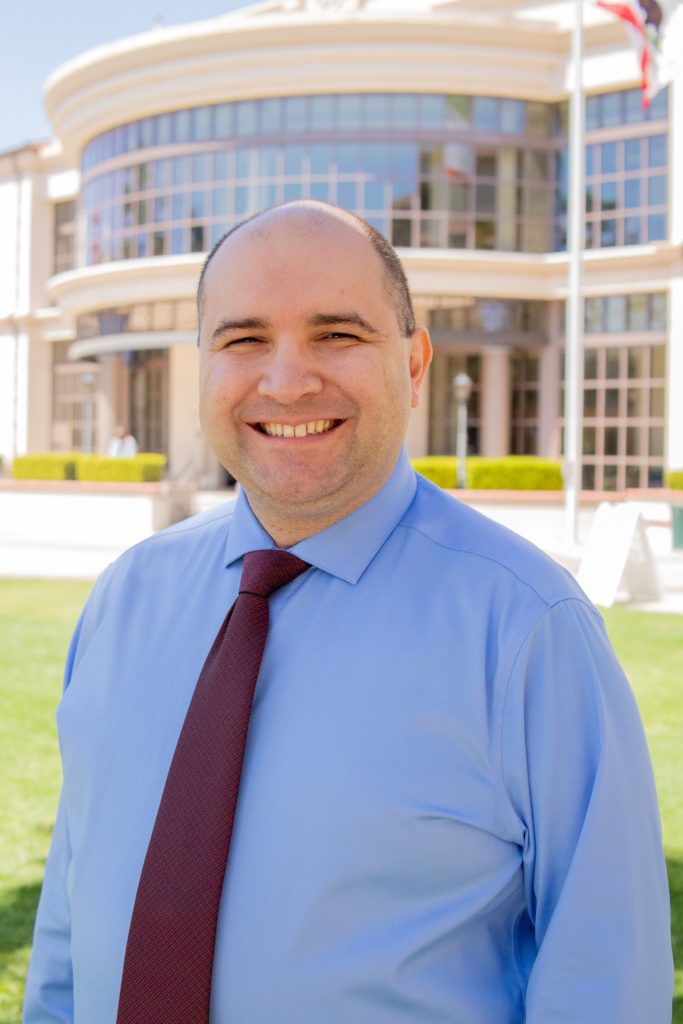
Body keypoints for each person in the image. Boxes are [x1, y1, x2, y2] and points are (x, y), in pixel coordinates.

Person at [24, 201, 673, 1023]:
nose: (286, 379)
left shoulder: (527, 630)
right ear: (203, 363)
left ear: (413, 363)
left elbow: (603, 981)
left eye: (337, 334)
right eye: (243, 338)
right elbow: (70, 929)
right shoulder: (125, 599)